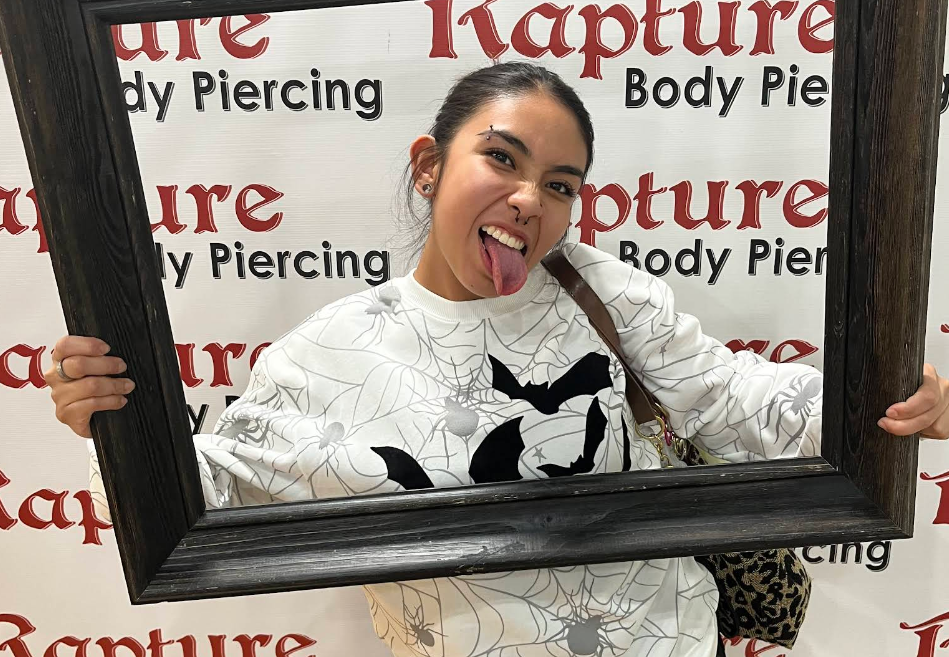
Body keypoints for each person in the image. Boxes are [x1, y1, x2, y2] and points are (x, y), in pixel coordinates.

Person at [46, 62, 948, 657]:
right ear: (428, 165)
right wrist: (112, 421)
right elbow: (200, 498)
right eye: (500, 159)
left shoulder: (600, 291)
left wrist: (880, 396)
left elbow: (729, 396)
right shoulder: (327, 356)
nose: (527, 200)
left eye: (559, 185)